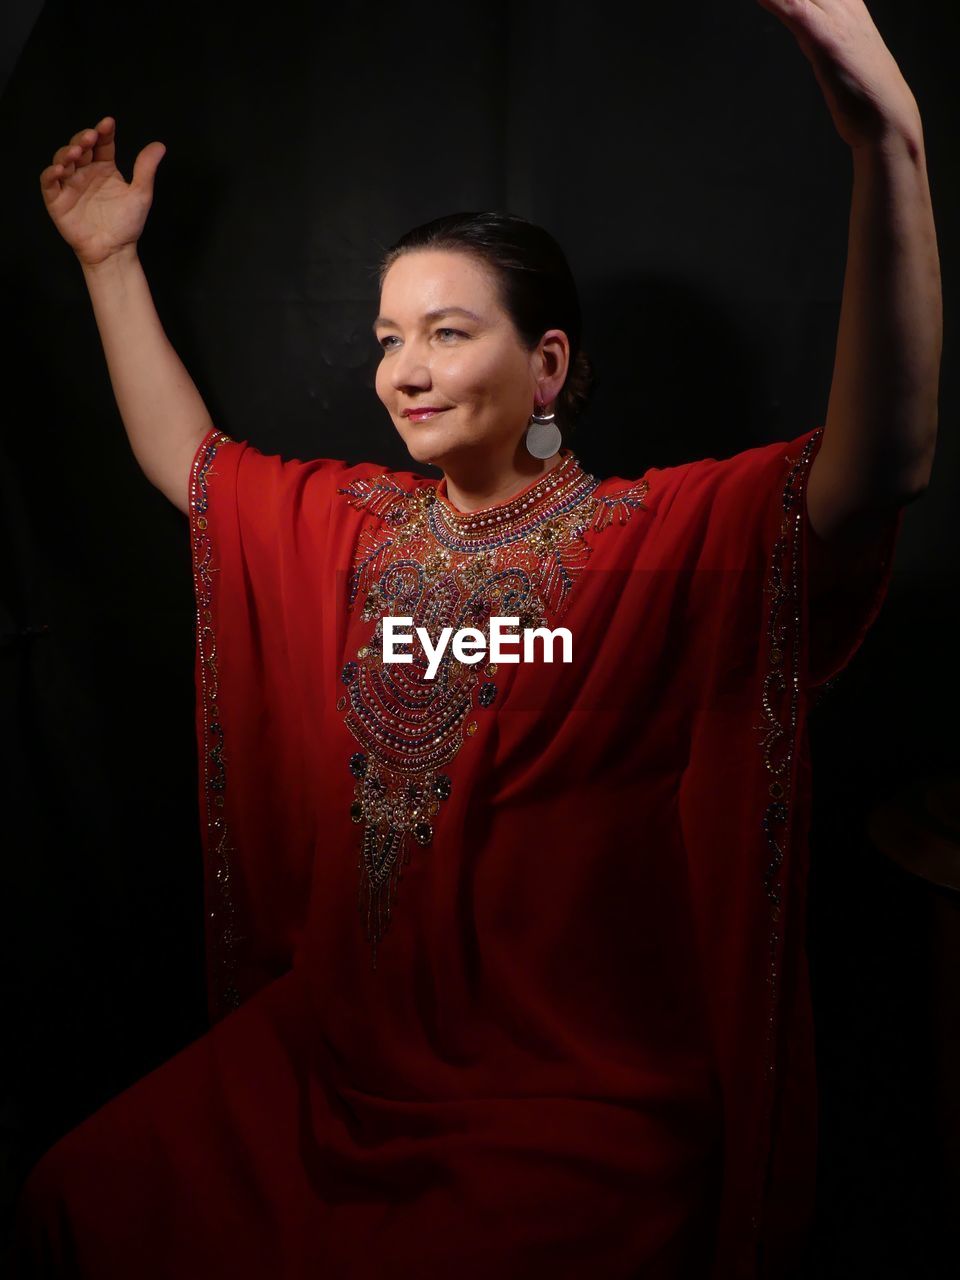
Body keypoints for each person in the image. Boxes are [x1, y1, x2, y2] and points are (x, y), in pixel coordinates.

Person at [11, 2, 941, 1276]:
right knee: (74, 1190)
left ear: (546, 366)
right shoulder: (352, 525)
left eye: (448, 332)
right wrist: (109, 263)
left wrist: (890, 143)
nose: (403, 368)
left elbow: (881, 463)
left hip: (564, 1097)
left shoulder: (645, 541)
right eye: (390, 336)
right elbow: (192, 465)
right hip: (340, 1054)